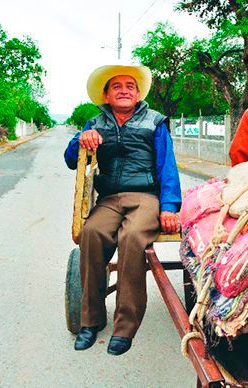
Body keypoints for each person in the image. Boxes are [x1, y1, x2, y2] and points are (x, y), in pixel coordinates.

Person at [64, 64, 182, 355]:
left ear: (138, 93)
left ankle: (125, 327)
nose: (124, 90)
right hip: (109, 198)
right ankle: (90, 322)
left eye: (130, 86)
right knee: (91, 234)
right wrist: (79, 140)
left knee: (132, 239)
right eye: (117, 86)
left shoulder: (154, 122)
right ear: (106, 95)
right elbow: (70, 159)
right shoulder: (94, 123)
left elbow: (168, 167)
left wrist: (168, 206)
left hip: (145, 197)